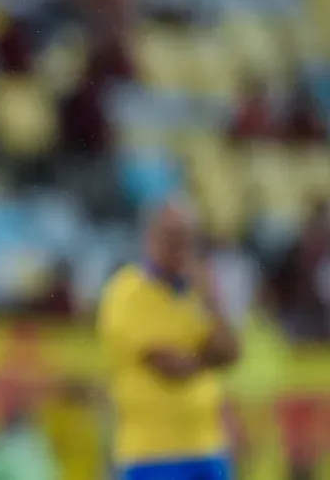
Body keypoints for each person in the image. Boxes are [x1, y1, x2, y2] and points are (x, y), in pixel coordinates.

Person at [97, 199, 241, 480]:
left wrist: (213, 303)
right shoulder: (126, 292)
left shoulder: (198, 293)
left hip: (208, 446)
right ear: (150, 238)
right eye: (172, 237)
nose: (180, 248)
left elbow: (233, 353)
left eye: (187, 239)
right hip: (151, 453)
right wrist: (211, 357)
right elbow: (172, 368)